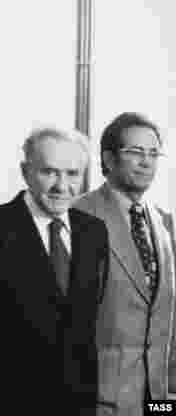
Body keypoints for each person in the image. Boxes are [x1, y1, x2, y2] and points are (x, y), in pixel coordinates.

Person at [0, 126, 109, 416]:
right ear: (26, 172)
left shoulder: (94, 232)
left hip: (78, 401)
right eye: (49, 172)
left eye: (73, 174)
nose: (62, 186)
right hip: (7, 400)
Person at [74, 112, 176, 414]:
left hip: (156, 400)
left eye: (153, 153)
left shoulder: (163, 222)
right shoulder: (79, 216)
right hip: (98, 400)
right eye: (135, 152)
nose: (146, 162)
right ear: (108, 158)